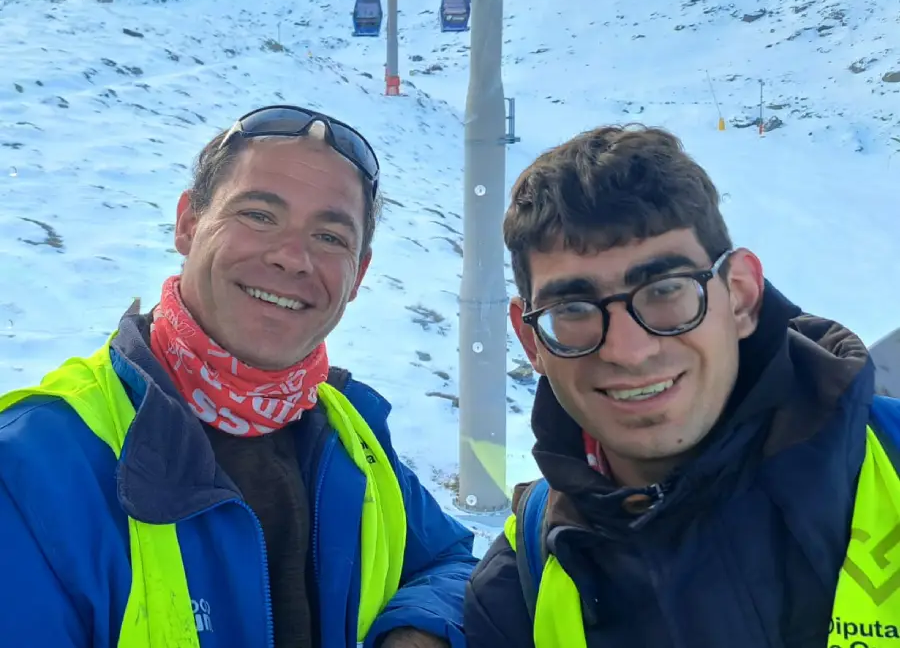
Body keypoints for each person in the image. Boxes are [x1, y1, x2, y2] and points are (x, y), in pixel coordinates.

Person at [0, 104, 477, 648]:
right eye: (258, 215)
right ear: (188, 224)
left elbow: (449, 561)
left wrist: (418, 630)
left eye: (330, 237)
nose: (292, 258)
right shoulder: (32, 466)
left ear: (358, 275)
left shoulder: (352, 434)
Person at [463, 124, 900, 648]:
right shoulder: (521, 584)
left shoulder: (888, 465)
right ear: (531, 341)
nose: (628, 350)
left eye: (666, 290)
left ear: (740, 296)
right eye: (573, 309)